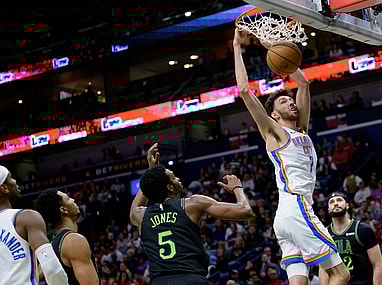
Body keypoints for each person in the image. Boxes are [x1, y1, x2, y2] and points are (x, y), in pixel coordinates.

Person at [233, 28, 349, 285]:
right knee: (341, 274)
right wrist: (236, 46)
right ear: (274, 114)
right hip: (296, 208)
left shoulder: (302, 130)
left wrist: (271, 46)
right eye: (284, 102)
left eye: (290, 100)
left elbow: (304, 83)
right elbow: (244, 91)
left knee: (299, 281)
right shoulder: (274, 133)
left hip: (285, 216)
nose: (291, 103)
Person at [129, 143, 253, 285]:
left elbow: (135, 207)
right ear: (169, 187)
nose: (178, 179)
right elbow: (245, 211)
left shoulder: (141, 216)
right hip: (191, 279)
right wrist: (237, 188)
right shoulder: (191, 204)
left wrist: (151, 172)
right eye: (174, 177)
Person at [0, 165, 68, 285]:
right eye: (11, 178)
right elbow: (52, 268)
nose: (15, 181)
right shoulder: (26, 217)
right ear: (4, 188)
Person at [34, 188, 99, 285]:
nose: (73, 200)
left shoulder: (51, 247)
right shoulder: (74, 241)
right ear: (63, 210)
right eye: (68, 198)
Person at [319, 192, 382, 285]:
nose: (336, 203)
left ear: (347, 205)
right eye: (332, 202)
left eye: (339, 200)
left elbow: (377, 264)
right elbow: (323, 269)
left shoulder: (363, 230)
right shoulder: (324, 234)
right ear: (328, 209)